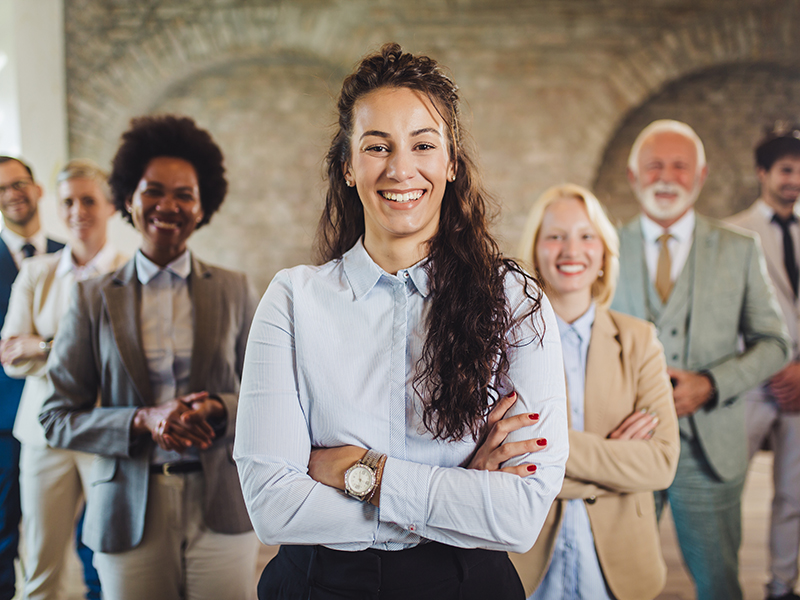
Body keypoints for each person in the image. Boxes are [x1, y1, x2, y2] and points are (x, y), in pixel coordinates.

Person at [234, 43, 569, 600]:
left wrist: (360, 472)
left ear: (451, 163)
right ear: (347, 165)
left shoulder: (513, 299)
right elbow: (273, 507)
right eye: (376, 146)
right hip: (320, 585)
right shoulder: (292, 300)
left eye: (422, 145)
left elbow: (519, 517)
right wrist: (463, 495)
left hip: (466, 585)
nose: (400, 168)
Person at [38, 116, 259, 600]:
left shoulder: (233, 288)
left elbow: (272, 401)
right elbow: (55, 418)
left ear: (204, 207)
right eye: (153, 190)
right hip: (127, 509)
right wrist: (141, 419)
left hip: (221, 503)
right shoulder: (92, 298)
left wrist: (222, 409)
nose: (168, 205)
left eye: (185, 194)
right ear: (128, 200)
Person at [611, 119, 791, 600]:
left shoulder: (739, 250)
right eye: (653, 166)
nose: (665, 177)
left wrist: (712, 384)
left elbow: (775, 343)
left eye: (678, 166)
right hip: (625, 444)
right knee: (615, 582)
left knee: (718, 585)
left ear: (701, 175)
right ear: (633, 176)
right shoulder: (601, 247)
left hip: (710, 450)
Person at [510, 184, 680, 600]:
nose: (572, 250)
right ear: (536, 250)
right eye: (556, 236)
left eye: (587, 236)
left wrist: (546, 456)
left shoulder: (640, 340)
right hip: (525, 563)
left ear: (604, 253)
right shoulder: (504, 341)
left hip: (620, 565)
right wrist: (616, 462)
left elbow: (660, 462)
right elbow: (496, 466)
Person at [0, 159, 125, 600]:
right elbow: (11, 356)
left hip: (105, 433)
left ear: (112, 205)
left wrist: (43, 346)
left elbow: (125, 363)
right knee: (39, 566)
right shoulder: (37, 274)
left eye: (89, 199)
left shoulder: (132, 273)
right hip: (41, 435)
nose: (77, 210)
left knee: (115, 560)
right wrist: (73, 350)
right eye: (68, 201)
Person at [727, 123, 800, 600]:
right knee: (725, 490)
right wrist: (769, 363)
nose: (794, 180)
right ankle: (721, 579)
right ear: (763, 173)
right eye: (786, 170)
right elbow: (728, 314)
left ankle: (781, 585)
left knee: (795, 495)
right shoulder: (734, 233)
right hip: (753, 382)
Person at [0, 157, 64, 600]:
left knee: (87, 532)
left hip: (69, 412)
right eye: (1, 188)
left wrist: (38, 345)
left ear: (38, 189)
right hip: (4, 421)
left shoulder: (72, 251)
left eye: (18, 183)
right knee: (4, 530)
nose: (11, 193)